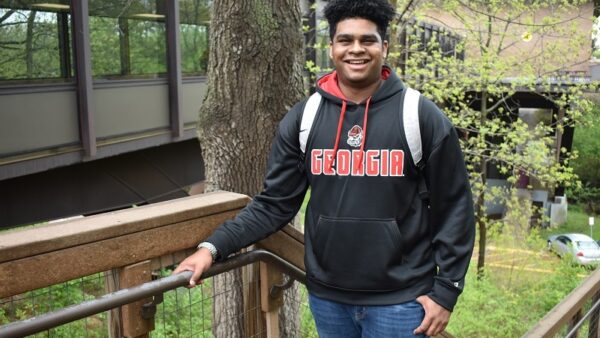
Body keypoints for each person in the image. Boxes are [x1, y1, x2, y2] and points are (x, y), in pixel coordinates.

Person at [174, 0, 475, 337]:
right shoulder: (306, 117)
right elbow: (274, 204)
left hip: (401, 301)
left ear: (384, 47)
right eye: (345, 40)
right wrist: (212, 248)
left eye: (368, 40)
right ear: (332, 47)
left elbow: (455, 209)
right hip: (328, 299)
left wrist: (447, 291)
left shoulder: (419, 115)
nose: (356, 49)